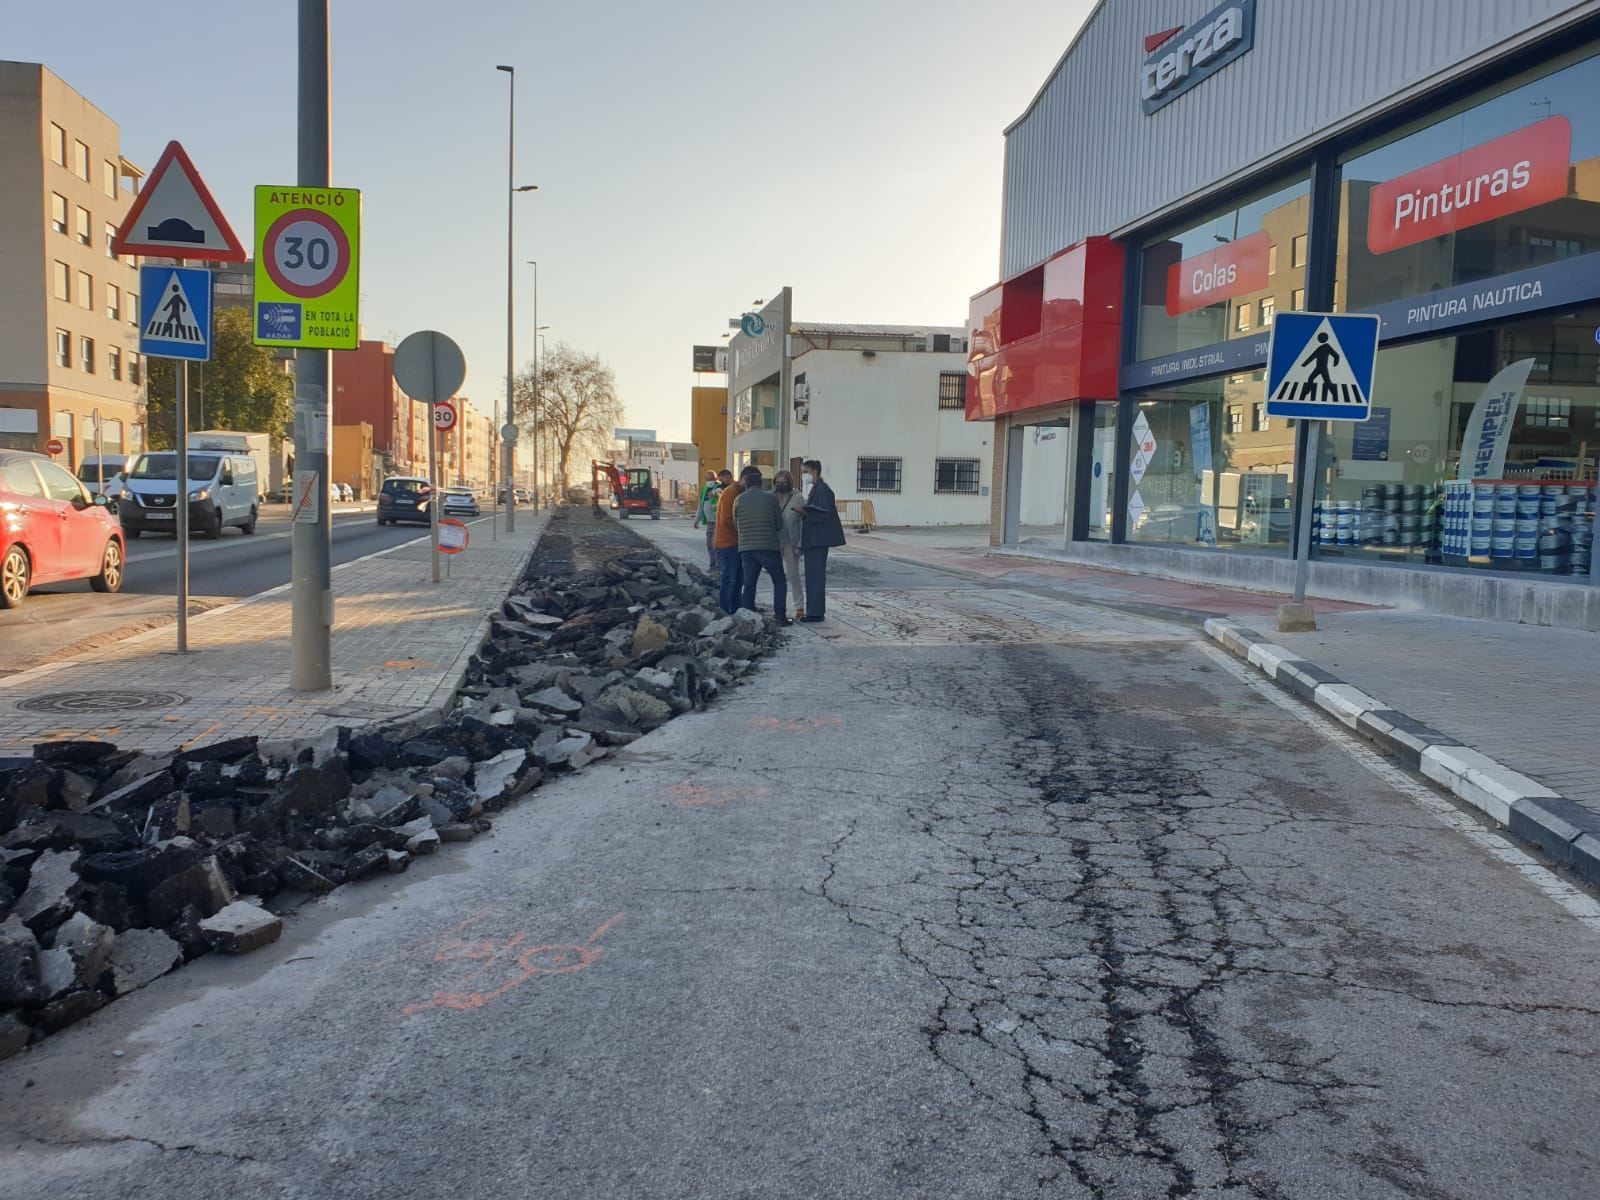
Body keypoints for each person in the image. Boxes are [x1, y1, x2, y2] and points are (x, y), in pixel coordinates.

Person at [733, 467, 790, 625]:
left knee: (749, 583)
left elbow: (736, 525)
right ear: (762, 484)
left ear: (746, 485)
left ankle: (747, 619)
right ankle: (780, 616)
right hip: (768, 547)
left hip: (746, 548)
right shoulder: (770, 499)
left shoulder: (739, 500)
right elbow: (779, 524)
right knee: (779, 580)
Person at [799, 459, 846, 622]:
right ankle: (813, 610)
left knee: (816, 577)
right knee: (812, 577)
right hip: (813, 539)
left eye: (805, 472)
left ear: (814, 471)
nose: (803, 475)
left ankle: (815, 612)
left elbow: (824, 514)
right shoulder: (817, 489)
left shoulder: (823, 490)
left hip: (818, 540)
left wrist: (806, 513)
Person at [773, 469, 807, 621]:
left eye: (783, 482)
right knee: (777, 577)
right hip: (774, 542)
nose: (780, 485)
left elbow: (803, 522)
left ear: (789, 482)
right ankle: (779, 608)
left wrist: (800, 545)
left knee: (793, 575)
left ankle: (799, 607)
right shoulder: (770, 496)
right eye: (778, 482)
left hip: (791, 543)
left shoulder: (798, 498)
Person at [712, 468, 745, 613]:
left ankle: (735, 609)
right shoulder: (731, 493)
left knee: (738, 580)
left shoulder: (736, 492)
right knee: (729, 580)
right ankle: (724, 611)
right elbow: (727, 520)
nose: (721, 482)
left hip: (735, 543)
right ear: (743, 479)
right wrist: (742, 533)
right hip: (729, 544)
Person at [692, 470, 725, 571]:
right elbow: (701, 505)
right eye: (708, 479)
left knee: (716, 545)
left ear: (715, 479)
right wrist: (696, 520)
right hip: (710, 521)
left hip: (718, 521)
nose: (709, 481)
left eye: (711, 479)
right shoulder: (705, 489)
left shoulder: (719, 487)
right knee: (709, 544)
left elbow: (722, 498)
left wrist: (715, 493)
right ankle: (713, 566)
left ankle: (718, 567)